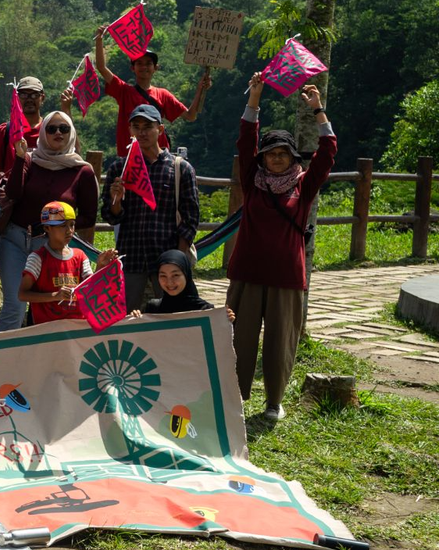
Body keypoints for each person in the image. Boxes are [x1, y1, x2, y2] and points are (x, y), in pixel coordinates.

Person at [227, 77, 336, 421]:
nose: (275, 159)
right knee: (237, 341)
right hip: (247, 274)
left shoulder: (303, 187)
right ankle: (234, 397)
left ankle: (274, 401)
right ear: (262, 158)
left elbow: (328, 151)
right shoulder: (252, 181)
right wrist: (255, 98)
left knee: (279, 343)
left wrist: (318, 109)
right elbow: (245, 141)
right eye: (270, 154)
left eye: (282, 154)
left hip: (287, 278)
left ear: (292, 158)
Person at [0, 110, 99, 331]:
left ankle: (38, 358)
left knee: (47, 306)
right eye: (51, 128)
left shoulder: (82, 171)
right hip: (15, 238)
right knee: (14, 304)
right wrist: (20, 157)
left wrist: (59, 227)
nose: (58, 133)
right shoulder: (30, 160)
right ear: (43, 133)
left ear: (72, 133)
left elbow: (89, 217)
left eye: (64, 128)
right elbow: (13, 193)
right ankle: (1, 361)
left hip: (50, 246)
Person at [101, 104, 199, 310]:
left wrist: (178, 261)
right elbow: (111, 217)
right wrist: (116, 200)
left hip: (167, 259)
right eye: (136, 127)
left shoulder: (180, 168)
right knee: (124, 318)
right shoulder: (120, 167)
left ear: (160, 130)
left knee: (172, 317)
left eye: (147, 126)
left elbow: (190, 219)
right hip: (130, 256)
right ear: (130, 131)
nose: (141, 132)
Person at [93, 24, 210, 156]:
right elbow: (101, 68)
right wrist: (99, 40)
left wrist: (200, 89)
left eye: (148, 63)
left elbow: (190, 116)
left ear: (155, 68)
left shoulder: (163, 95)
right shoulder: (124, 91)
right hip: (132, 157)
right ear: (133, 68)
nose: (144, 67)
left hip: (158, 158)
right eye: (139, 63)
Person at [18, 202, 114, 325]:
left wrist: (100, 267)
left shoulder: (80, 256)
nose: (69, 230)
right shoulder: (37, 258)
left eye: (72, 225)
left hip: (76, 328)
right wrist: (55, 296)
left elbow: (91, 290)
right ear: (47, 228)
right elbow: (22, 294)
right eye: (63, 226)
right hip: (47, 331)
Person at [0, 77, 45, 176]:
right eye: (24, 95)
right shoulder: (4, 131)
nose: (29, 99)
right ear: (16, 97)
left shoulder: (51, 130)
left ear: (42, 98)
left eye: (34, 95)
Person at [145, 249, 230, 316]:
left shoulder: (205, 311)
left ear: (186, 275)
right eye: (163, 276)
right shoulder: (153, 309)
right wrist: (135, 319)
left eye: (175, 275)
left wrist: (224, 321)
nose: (169, 282)